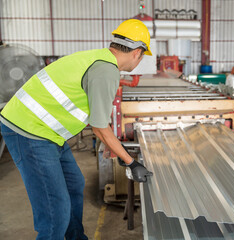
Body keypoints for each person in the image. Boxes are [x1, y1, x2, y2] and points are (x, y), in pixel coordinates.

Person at [0, 19, 153, 240]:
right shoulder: (106, 70)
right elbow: (100, 127)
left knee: (74, 184)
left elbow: (96, 119)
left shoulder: (98, 59)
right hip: (29, 132)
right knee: (55, 212)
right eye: (142, 57)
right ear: (137, 52)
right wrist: (130, 161)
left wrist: (111, 145)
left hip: (48, 133)